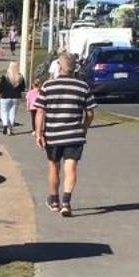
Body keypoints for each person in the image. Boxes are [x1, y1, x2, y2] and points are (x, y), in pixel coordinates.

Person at [33, 51, 94, 217]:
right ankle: (66, 201)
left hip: (53, 133)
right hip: (74, 134)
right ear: (74, 69)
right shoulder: (82, 86)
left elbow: (40, 112)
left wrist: (39, 133)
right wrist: (84, 128)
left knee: (53, 166)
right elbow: (90, 113)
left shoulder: (48, 86)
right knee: (71, 167)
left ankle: (54, 201)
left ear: (59, 67)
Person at [0, 61, 24, 134]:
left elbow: (0, 87)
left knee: (4, 111)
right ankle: (10, 129)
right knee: (13, 113)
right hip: (16, 97)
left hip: (5, 96)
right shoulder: (20, 77)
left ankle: (5, 124)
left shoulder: (5, 77)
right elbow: (23, 88)